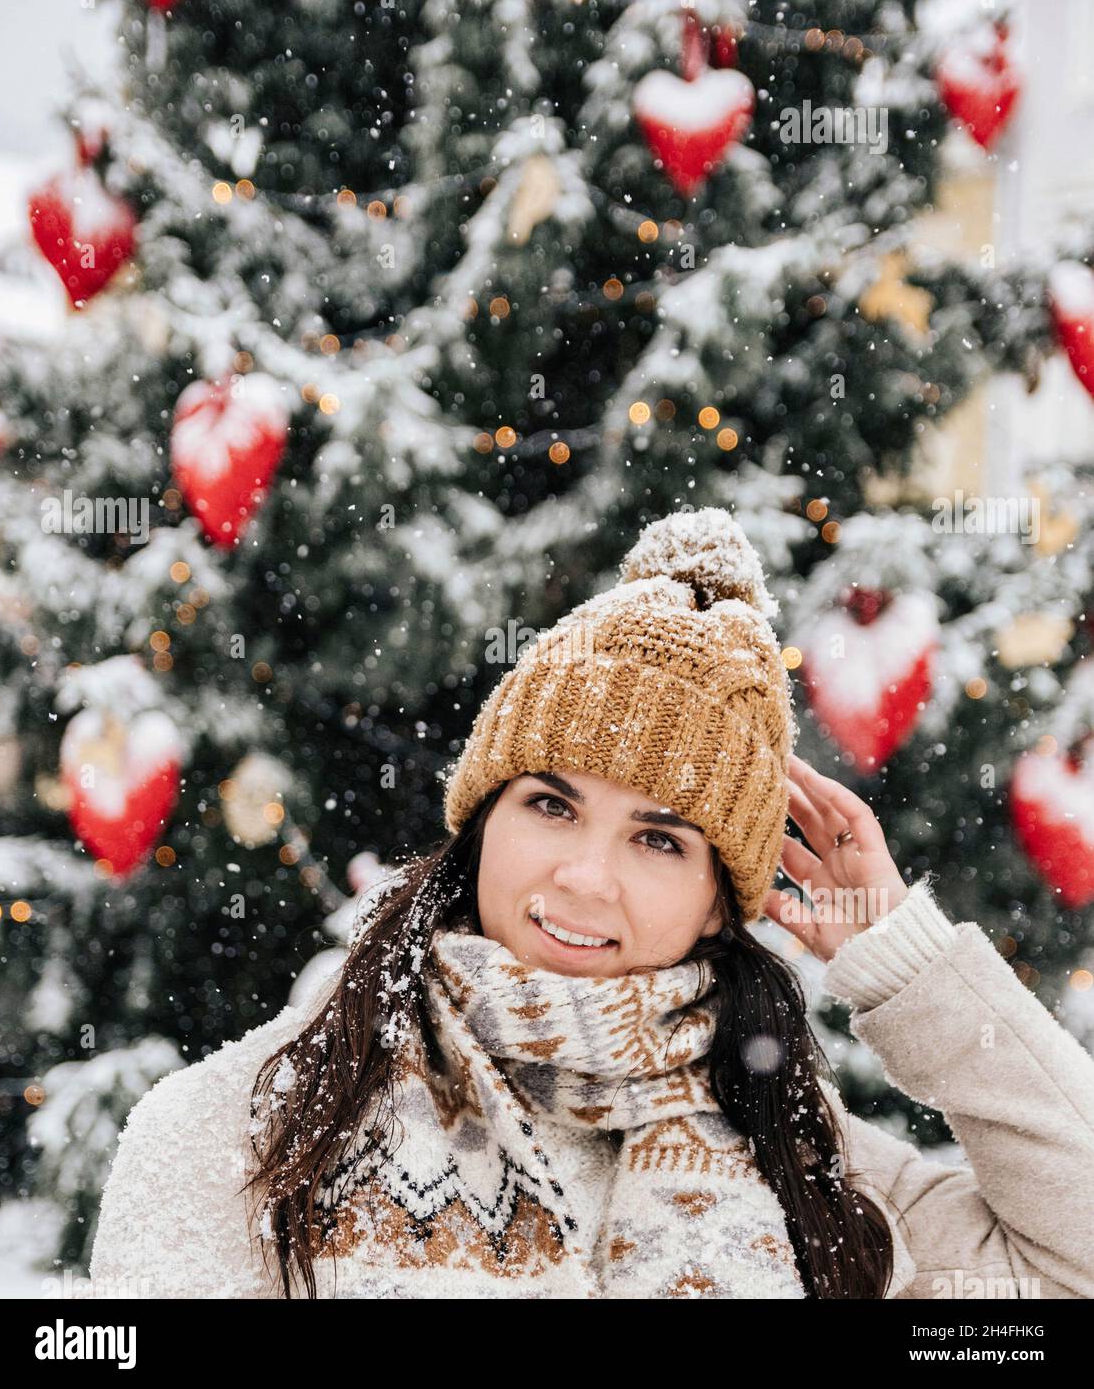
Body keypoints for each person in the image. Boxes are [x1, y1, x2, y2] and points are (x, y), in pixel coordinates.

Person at [88, 507, 1094, 1299]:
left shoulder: (823, 1187)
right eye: (549, 804)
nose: (583, 875)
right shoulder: (251, 1136)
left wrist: (905, 962)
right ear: (482, 821)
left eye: (658, 838)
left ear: (717, 904)